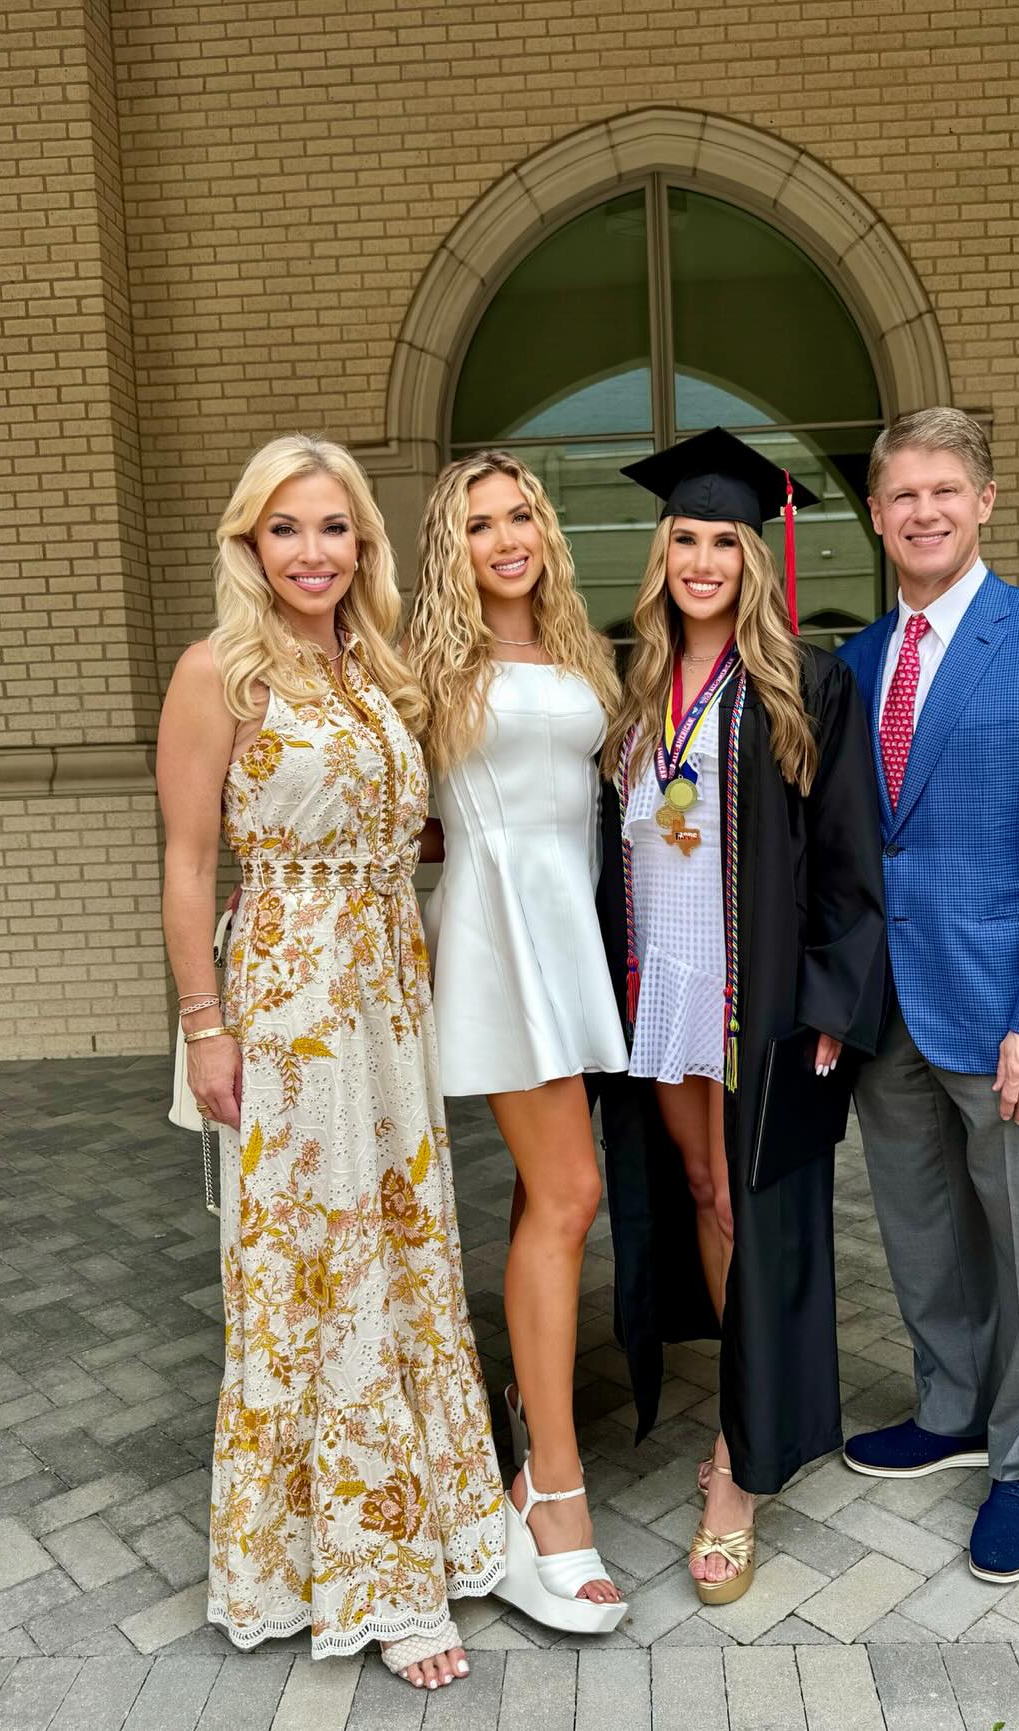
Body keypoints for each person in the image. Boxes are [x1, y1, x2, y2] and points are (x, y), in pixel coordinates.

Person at [157, 435, 504, 1691]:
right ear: (251, 545)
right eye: (286, 530)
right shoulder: (220, 674)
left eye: (334, 528)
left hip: (386, 999)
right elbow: (191, 865)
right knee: (316, 1263)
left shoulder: (379, 669)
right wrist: (207, 1025)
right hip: (291, 1002)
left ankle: (437, 1528)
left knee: (404, 1249)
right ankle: (372, 1581)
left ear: (365, 543)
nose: (312, 553)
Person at [836, 407, 1019, 1585]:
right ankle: (954, 1407)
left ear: (985, 501)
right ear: (875, 513)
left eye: (945, 491)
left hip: (1008, 1009)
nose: (924, 512)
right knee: (922, 1232)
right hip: (891, 1013)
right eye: (903, 495)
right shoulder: (856, 664)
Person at [596, 428, 888, 1605]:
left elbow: (847, 857)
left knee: (753, 1195)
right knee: (705, 1190)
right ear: (660, 550)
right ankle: (748, 1395)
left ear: (754, 558)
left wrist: (830, 997)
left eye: (726, 539)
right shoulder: (622, 677)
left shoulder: (805, 682)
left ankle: (739, 1463)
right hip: (655, 978)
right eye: (686, 537)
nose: (704, 559)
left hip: (752, 988)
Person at [408, 451, 630, 1633]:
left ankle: (519, 1444)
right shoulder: (428, 668)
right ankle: (553, 1497)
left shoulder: (580, 650)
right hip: (499, 937)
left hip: (572, 927)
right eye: (481, 524)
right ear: (452, 546)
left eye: (522, 516)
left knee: (545, 1198)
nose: (507, 539)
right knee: (570, 1192)